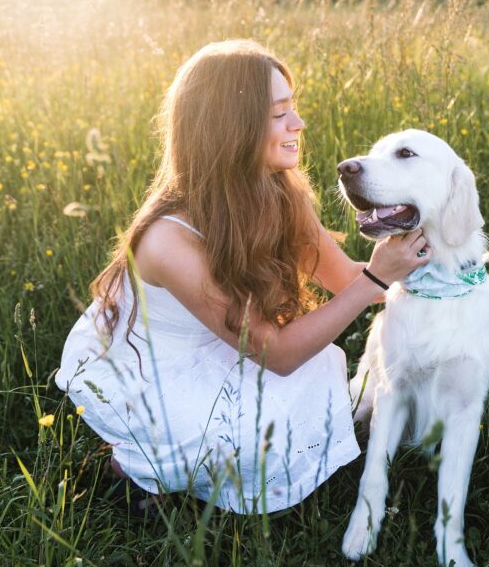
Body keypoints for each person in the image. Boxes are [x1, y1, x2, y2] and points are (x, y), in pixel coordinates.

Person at [55, 39, 430, 514]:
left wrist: (422, 265)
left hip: (228, 345)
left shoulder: (277, 192)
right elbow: (281, 354)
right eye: (279, 114)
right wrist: (377, 280)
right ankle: (135, 468)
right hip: (154, 369)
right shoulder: (169, 241)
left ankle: (175, 458)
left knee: (319, 370)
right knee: (265, 414)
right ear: (230, 126)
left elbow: (345, 279)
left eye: (293, 108)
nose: (298, 124)